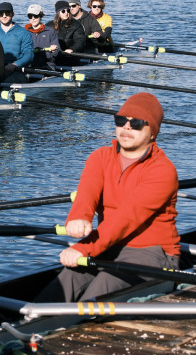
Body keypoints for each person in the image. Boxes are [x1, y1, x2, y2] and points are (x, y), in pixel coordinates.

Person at [36, 93, 180, 302]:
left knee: (100, 289)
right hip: (109, 245)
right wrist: (78, 218)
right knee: (64, 282)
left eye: (137, 123)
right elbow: (87, 194)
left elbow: (126, 218)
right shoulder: (100, 157)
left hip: (152, 252)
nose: (127, 128)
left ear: (152, 133)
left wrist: (83, 247)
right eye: (121, 120)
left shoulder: (162, 170)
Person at [0, 1, 33, 83]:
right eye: (1, 13)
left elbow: (29, 54)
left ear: (13, 14)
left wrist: (15, 64)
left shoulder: (24, 33)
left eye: (7, 13)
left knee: (7, 84)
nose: (4, 15)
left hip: (18, 71)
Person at [46, 0, 90, 67]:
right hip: (53, 57)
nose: (66, 13)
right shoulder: (49, 25)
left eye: (68, 11)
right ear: (58, 13)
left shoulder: (76, 25)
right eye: (63, 11)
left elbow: (80, 41)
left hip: (69, 57)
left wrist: (72, 49)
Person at [24, 4, 59, 70]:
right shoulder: (24, 32)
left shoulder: (50, 31)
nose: (33, 18)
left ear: (41, 16)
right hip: (29, 66)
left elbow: (57, 51)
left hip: (47, 65)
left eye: (36, 16)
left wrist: (53, 51)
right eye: (30, 16)